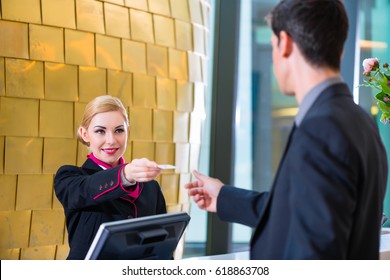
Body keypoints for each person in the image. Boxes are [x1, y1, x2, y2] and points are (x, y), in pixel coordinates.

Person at [185, 0, 388, 259]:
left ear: (286, 42)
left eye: (272, 46)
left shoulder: (320, 129)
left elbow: (314, 254)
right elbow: (299, 212)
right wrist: (224, 197)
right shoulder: (361, 122)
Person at [55, 95, 167, 260]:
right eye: (100, 131)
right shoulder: (69, 177)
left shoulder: (151, 187)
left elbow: (163, 245)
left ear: (128, 131)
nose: (111, 140)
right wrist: (125, 174)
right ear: (85, 134)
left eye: (119, 130)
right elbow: (88, 189)